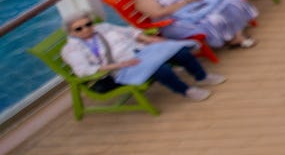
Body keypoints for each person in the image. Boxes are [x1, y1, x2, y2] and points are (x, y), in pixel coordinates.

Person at [60, 15, 223, 102]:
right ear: (71, 32)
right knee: (161, 70)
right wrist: (120, 64)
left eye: (88, 24)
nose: (86, 29)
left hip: (141, 51)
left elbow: (130, 32)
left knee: (180, 51)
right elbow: (83, 70)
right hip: (122, 67)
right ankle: (186, 90)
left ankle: (202, 77)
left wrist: (150, 39)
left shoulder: (103, 28)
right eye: (79, 28)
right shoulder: (72, 49)